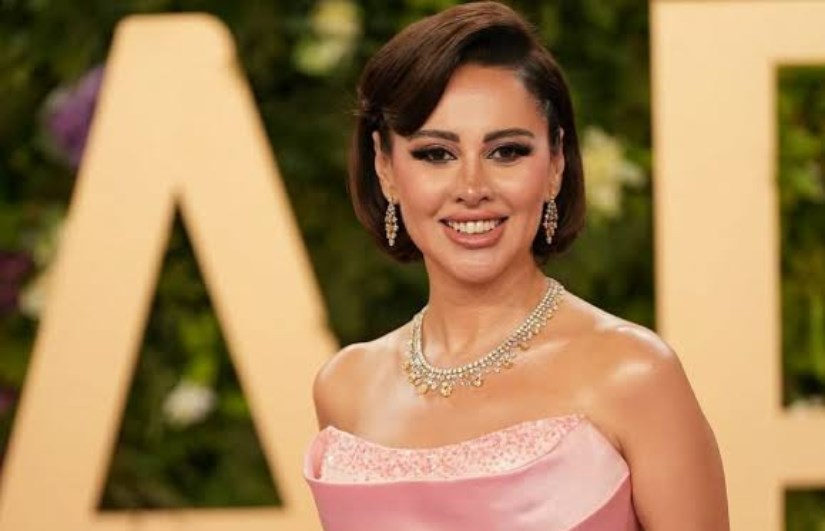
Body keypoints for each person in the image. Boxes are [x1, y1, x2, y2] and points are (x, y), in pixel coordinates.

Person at [303, 2, 729, 530]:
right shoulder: (347, 388)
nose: (472, 188)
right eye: (436, 154)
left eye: (506, 152)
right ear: (385, 168)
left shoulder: (634, 374)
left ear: (555, 164)